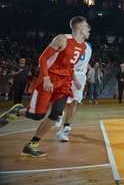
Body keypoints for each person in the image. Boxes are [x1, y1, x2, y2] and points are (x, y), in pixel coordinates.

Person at [0, 16, 90, 157]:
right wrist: (46, 78)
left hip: (64, 82)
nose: (88, 29)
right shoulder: (62, 39)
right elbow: (42, 58)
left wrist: (75, 80)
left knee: (56, 112)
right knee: (36, 115)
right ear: (79, 26)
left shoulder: (83, 46)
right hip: (49, 79)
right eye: (86, 26)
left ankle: (31, 145)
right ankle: (17, 111)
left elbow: (70, 66)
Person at [55, 41, 92, 142]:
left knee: (75, 101)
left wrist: (88, 69)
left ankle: (65, 128)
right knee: (64, 97)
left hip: (81, 75)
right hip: (69, 72)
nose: (88, 32)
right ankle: (59, 113)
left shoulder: (89, 45)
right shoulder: (70, 42)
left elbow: (84, 60)